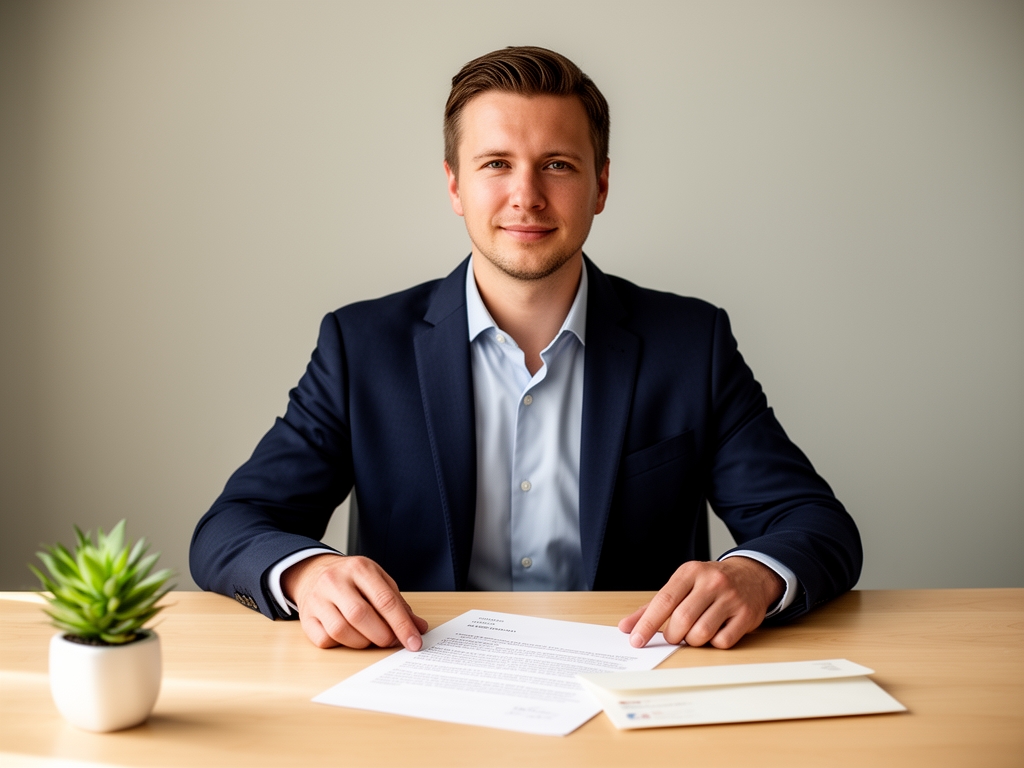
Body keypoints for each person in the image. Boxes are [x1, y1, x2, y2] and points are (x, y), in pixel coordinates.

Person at [190, 46, 861, 654]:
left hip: (629, 691)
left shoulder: (691, 343)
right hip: (421, 688)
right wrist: (308, 573)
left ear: (600, 184)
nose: (527, 196)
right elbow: (235, 525)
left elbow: (813, 523)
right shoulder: (361, 345)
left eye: (558, 166)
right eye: (496, 165)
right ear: (455, 185)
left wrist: (752, 575)